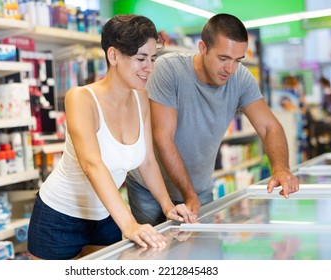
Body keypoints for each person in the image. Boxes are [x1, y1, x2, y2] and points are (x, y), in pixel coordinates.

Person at [27, 14, 196, 260]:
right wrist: (129, 224)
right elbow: (92, 164)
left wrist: (168, 207)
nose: (149, 68)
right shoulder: (82, 98)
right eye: (140, 59)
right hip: (58, 219)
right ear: (114, 56)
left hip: (106, 216)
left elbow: (148, 161)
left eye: (152, 58)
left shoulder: (141, 99)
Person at [126, 13, 300, 226]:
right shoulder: (169, 69)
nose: (230, 69)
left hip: (200, 190)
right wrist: (189, 195)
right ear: (202, 48)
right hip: (150, 190)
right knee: (154, 257)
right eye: (223, 58)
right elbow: (163, 138)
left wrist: (281, 168)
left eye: (238, 60)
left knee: (205, 254)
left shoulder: (241, 79)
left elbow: (269, 126)